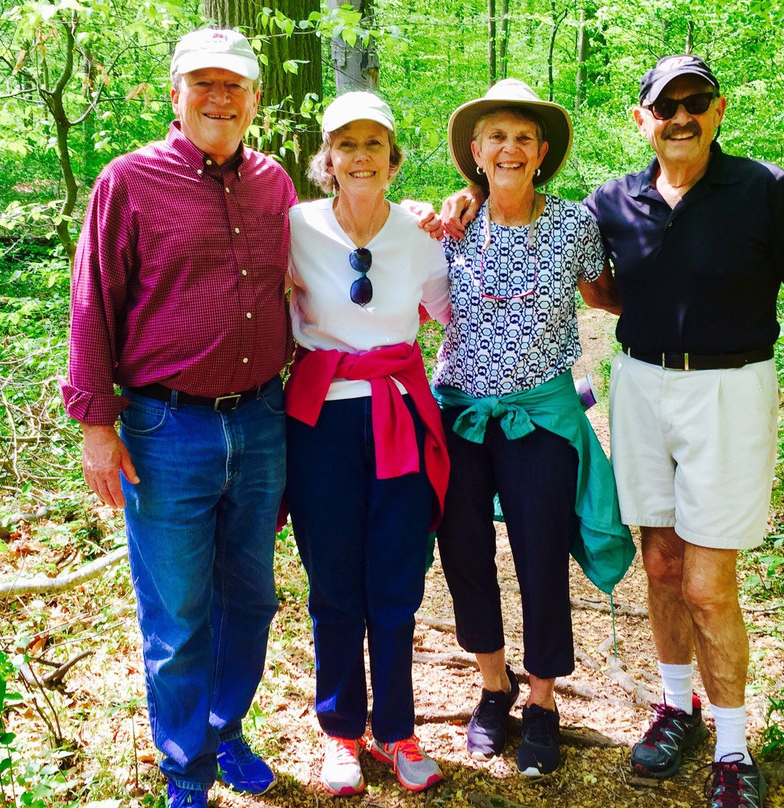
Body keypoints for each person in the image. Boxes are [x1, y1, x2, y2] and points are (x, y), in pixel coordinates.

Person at [576, 55, 784, 808]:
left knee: (708, 582)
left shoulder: (764, 190)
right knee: (659, 562)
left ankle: (731, 744)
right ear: (642, 120)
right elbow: (597, 283)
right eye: (666, 106)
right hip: (642, 385)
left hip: (731, 389)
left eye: (696, 102)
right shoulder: (613, 200)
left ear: (718, 110)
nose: (681, 117)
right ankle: (675, 709)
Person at [62, 28, 295, 808]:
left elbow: (326, 264)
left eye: (235, 86)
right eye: (204, 83)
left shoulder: (275, 185)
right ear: (176, 94)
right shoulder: (128, 182)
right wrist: (98, 426)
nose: (220, 98)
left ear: (256, 100)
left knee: (252, 598)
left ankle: (227, 729)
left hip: (262, 421)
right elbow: (94, 303)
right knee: (178, 613)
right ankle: (185, 765)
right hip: (166, 433)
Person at [432, 79, 634, 778]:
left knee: (541, 555)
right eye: (496, 137)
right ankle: (495, 684)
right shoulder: (449, 225)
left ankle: (543, 700)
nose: (509, 148)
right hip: (458, 415)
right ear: (476, 153)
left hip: (541, 417)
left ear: (541, 151)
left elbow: (607, 292)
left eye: (523, 137)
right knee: (461, 552)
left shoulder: (575, 224)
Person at [283, 91, 451, 796]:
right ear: (327, 159)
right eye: (345, 144)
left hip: (399, 416)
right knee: (334, 588)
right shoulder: (292, 225)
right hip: (320, 420)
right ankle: (340, 734)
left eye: (373, 144)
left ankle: (398, 732)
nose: (359, 157)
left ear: (393, 159)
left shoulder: (419, 237)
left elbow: (457, 314)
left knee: (396, 582)